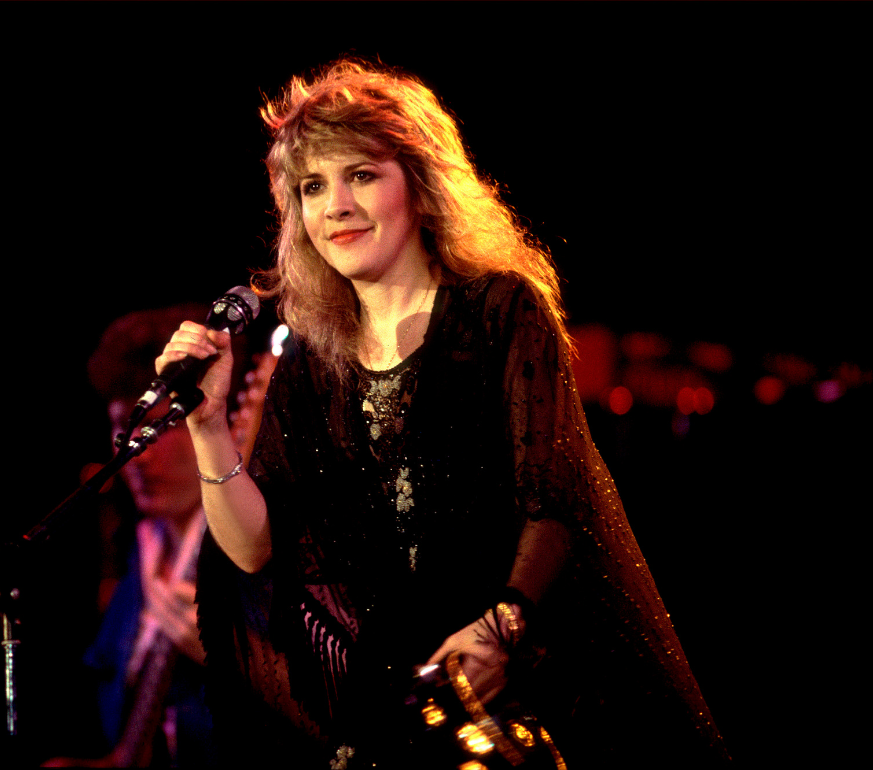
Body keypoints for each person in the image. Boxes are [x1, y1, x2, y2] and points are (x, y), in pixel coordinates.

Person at [156, 60, 729, 768]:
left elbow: (555, 496)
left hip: (528, 690)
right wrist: (207, 426)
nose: (336, 205)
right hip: (400, 706)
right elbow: (252, 549)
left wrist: (501, 629)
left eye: (361, 175)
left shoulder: (499, 311)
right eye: (313, 186)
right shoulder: (310, 363)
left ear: (421, 185)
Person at [49, 304, 254, 768]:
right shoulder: (137, 550)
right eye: (125, 428)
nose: (136, 453)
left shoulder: (257, 542)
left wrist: (239, 663)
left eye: (161, 427)